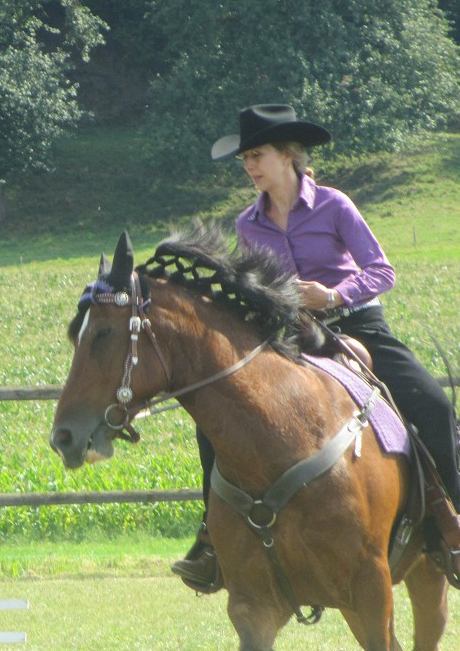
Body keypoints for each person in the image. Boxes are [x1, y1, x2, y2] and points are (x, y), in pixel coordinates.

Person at [171, 103, 460, 592]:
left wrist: (334, 295)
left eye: (256, 155)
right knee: (215, 415)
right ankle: (213, 539)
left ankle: (449, 524)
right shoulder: (248, 224)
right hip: (291, 336)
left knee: (431, 404)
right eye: (246, 158)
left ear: (288, 155)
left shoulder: (334, 205)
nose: (249, 166)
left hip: (358, 326)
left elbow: (382, 272)